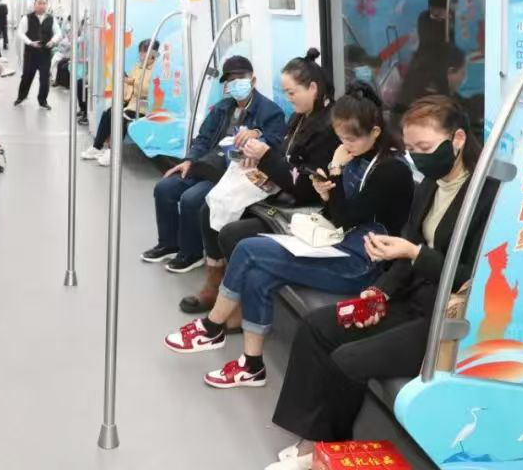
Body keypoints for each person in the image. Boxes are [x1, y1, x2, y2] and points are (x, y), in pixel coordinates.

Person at [264, 95, 495, 470]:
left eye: (425, 148)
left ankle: (325, 447)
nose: (418, 157)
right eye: (412, 149)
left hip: (447, 317)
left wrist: (415, 254)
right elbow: (407, 248)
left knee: (347, 359)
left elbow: (475, 277)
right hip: (412, 296)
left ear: (457, 140)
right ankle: (311, 435)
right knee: (317, 327)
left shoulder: (487, 196)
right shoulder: (431, 185)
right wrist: (380, 292)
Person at [164, 84, 415, 390]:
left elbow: (347, 217)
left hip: (361, 263)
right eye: (341, 138)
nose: (345, 145)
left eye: (351, 139)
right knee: (257, 274)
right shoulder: (357, 156)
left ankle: (211, 325)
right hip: (337, 243)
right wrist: (327, 193)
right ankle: (251, 366)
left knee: (248, 250)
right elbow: (337, 214)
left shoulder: (391, 172)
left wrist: (335, 172)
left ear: (375, 132)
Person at [183, 50, 339, 315]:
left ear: (313, 88)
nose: (288, 99)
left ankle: (236, 302)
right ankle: (214, 284)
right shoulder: (299, 117)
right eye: (286, 93)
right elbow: (284, 157)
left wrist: (265, 156)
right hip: (280, 189)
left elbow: (305, 186)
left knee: (231, 232)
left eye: (292, 92)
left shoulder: (327, 128)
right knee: (208, 209)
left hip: (303, 207)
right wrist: (258, 159)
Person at [142, 56, 287, 274]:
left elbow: (275, 144)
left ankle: (191, 253)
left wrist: (258, 134)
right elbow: (203, 138)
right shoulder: (222, 108)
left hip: (235, 172)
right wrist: (190, 160)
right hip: (209, 163)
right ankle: (169, 244)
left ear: (253, 80)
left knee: (191, 199)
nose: (235, 83)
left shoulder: (270, 111)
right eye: (230, 80)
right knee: (165, 188)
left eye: (240, 77)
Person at [81, 39, 158, 166]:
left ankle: (113, 152)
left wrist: (132, 82)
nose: (142, 55)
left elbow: (149, 89)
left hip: (144, 106)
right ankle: (97, 147)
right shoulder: (137, 67)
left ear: (154, 53)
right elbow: (129, 86)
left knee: (121, 118)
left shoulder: (156, 70)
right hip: (130, 102)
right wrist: (126, 82)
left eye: (145, 52)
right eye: (141, 51)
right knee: (108, 112)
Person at [14, 0, 61, 110]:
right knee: (26, 76)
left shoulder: (51, 19)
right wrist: (30, 42)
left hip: (45, 54)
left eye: (44, 3)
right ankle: (21, 96)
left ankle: (43, 101)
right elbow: (20, 32)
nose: (42, 6)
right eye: (39, 3)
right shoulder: (27, 18)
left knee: (45, 79)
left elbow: (58, 33)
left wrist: (53, 41)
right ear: (34, 4)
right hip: (31, 53)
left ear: (47, 5)